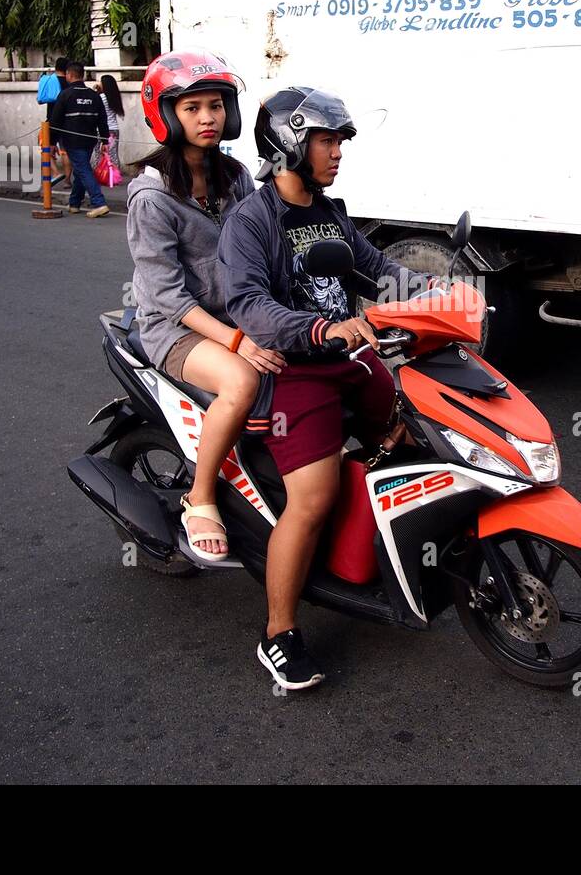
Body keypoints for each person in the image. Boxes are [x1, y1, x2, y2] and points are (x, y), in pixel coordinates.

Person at [217, 86, 428, 690]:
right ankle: (279, 634)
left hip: (347, 355)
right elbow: (249, 305)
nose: (337, 153)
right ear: (289, 142)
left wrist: (440, 293)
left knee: (412, 431)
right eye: (325, 140)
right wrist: (320, 327)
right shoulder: (251, 221)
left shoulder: (329, 211)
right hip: (294, 368)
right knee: (311, 500)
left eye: (339, 141)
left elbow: (375, 269)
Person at [127, 50, 285, 560]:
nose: (207, 118)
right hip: (174, 328)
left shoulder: (236, 176)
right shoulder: (151, 198)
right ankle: (200, 499)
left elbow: (260, 246)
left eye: (215, 106)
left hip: (234, 313)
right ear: (167, 115)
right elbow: (168, 297)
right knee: (242, 380)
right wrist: (240, 340)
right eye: (192, 107)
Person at [49, 61, 110, 217]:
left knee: (83, 169)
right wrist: (104, 140)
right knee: (80, 169)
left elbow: (55, 121)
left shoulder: (65, 95)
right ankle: (74, 202)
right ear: (82, 75)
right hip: (90, 140)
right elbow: (103, 119)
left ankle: (99, 202)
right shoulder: (94, 96)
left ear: (69, 75)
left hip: (72, 140)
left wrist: (51, 143)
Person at [44, 57, 71, 186]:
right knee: (65, 151)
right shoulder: (70, 81)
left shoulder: (51, 81)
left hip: (51, 121)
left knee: (46, 148)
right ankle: (67, 180)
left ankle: (55, 173)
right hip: (67, 121)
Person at [94, 73, 124, 177]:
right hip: (114, 129)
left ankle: (100, 175)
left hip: (101, 130)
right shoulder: (114, 97)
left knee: (99, 153)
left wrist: (96, 91)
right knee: (113, 154)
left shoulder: (101, 97)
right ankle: (115, 176)